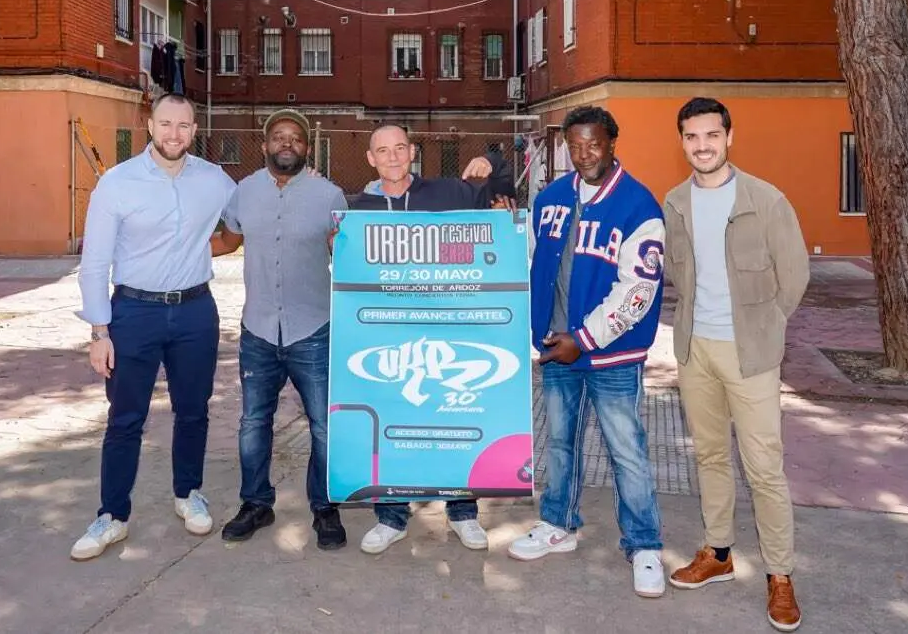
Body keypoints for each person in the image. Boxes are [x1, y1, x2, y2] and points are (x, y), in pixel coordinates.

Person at [661, 97, 808, 631]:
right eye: (692, 136)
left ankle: (780, 574)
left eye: (711, 135)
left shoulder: (765, 200)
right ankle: (718, 552)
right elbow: (677, 272)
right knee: (709, 456)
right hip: (695, 350)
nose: (702, 146)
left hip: (751, 355)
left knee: (764, 467)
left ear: (729, 137)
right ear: (682, 142)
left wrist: (765, 327)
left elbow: (794, 276)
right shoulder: (675, 202)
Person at [509, 105, 667, 599]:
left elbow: (637, 292)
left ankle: (644, 544)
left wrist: (584, 338)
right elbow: (527, 260)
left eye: (593, 144)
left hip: (610, 355)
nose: (584, 155)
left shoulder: (638, 205)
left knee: (626, 451)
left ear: (612, 143)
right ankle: (559, 523)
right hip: (557, 347)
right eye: (575, 146)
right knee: (559, 443)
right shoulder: (550, 198)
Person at [71, 93, 237, 561]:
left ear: (195, 129)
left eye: (183, 125)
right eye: (166, 124)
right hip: (133, 313)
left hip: (195, 312)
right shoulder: (117, 183)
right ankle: (112, 515)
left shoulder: (215, 180)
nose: (173, 134)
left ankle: (189, 493)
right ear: (150, 126)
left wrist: (303, 186)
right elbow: (94, 262)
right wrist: (99, 332)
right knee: (125, 419)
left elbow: (251, 214)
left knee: (194, 411)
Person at [349, 123, 505, 554]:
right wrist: (336, 248)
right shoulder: (359, 211)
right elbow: (349, 273)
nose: (393, 157)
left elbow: (502, 179)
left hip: (448, 332)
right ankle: (391, 517)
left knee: (454, 421)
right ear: (371, 159)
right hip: (389, 340)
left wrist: (488, 160)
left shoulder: (448, 192)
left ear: (413, 152)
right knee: (393, 426)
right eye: (384, 151)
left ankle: (463, 512)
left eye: (400, 148)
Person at [210, 109, 351, 551]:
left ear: (307, 147)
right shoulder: (244, 191)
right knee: (253, 423)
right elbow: (228, 241)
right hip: (258, 330)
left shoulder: (330, 196)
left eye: (295, 138)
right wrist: (169, 252)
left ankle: (325, 508)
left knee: (324, 426)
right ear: (265, 145)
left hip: (314, 329)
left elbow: (348, 252)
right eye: (278, 137)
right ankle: (256, 503)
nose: (286, 143)